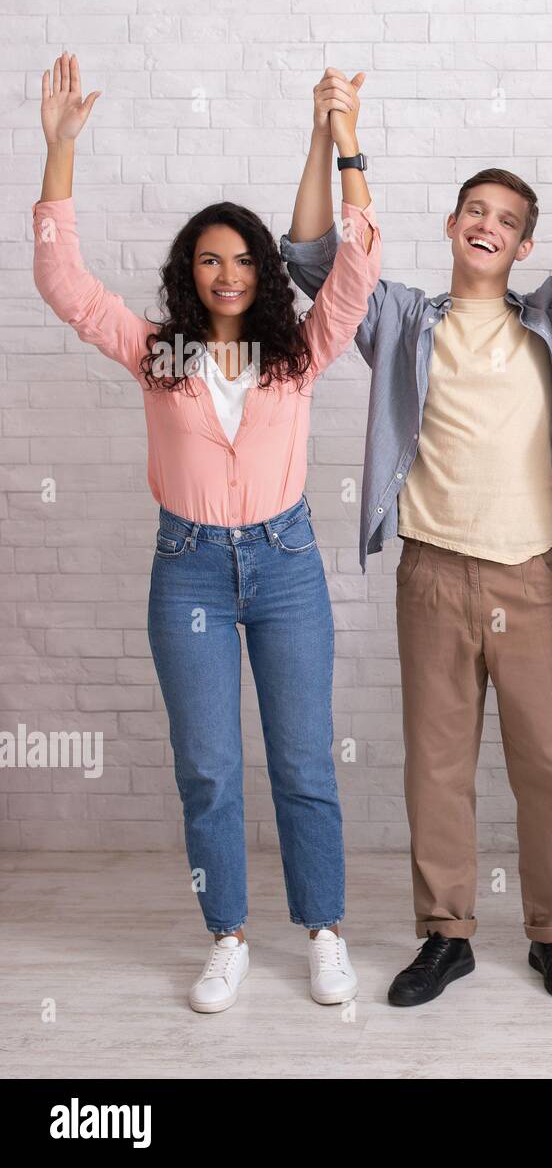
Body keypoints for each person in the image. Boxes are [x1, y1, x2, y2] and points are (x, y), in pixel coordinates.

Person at [280, 63, 552, 1006]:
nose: (487, 224)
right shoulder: (404, 319)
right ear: (453, 226)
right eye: (473, 211)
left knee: (546, 766)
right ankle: (446, 933)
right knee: (438, 767)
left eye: (506, 217)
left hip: (534, 574)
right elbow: (311, 257)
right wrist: (336, 137)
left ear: (526, 240)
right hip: (434, 574)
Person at [32, 52, 380, 1013]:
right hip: (187, 569)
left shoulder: (294, 355)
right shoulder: (162, 355)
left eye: (242, 259)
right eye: (209, 258)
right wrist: (60, 148)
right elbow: (63, 281)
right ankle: (226, 934)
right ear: (191, 273)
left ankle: (324, 931)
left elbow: (357, 267)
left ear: (263, 273)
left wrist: (344, 137)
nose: (226, 273)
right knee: (209, 769)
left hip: (287, 565)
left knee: (305, 761)